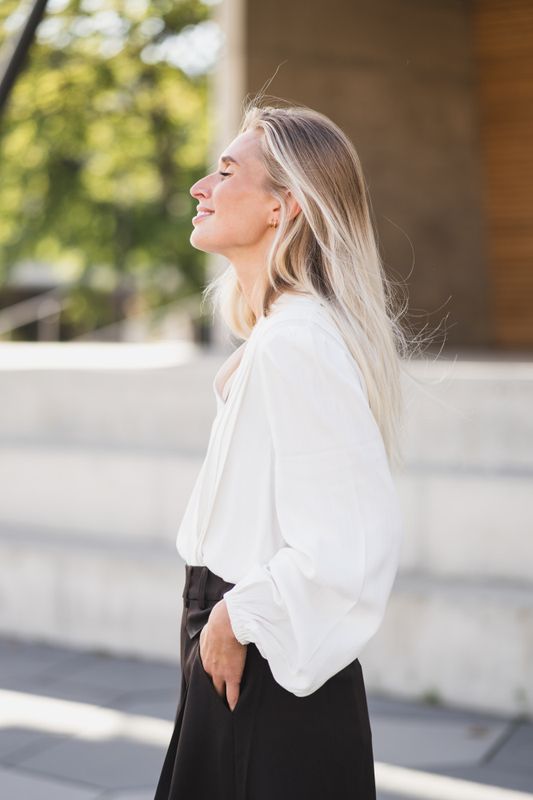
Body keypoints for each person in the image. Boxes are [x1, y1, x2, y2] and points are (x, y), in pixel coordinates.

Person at [154, 99, 408, 800]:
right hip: (246, 651)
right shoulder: (281, 337)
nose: (200, 188)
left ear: (282, 208)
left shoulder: (298, 343)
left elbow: (353, 542)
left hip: (261, 662)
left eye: (226, 171)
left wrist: (237, 617)